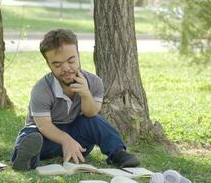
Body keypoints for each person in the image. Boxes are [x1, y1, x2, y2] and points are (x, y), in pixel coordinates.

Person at [10, 29, 140, 171]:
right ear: (49, 65)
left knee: (94, 121)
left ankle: (118, 154)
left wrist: (85, 94)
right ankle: (26, 159)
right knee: (31, 136)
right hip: (46, 137)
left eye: (71, 60)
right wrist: (65, 140)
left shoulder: (94, 82)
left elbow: (91, 113)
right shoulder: (42, 89)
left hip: (78, 139)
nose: (66, 68)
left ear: (78, 56)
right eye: (57, 65)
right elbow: (44, 126)